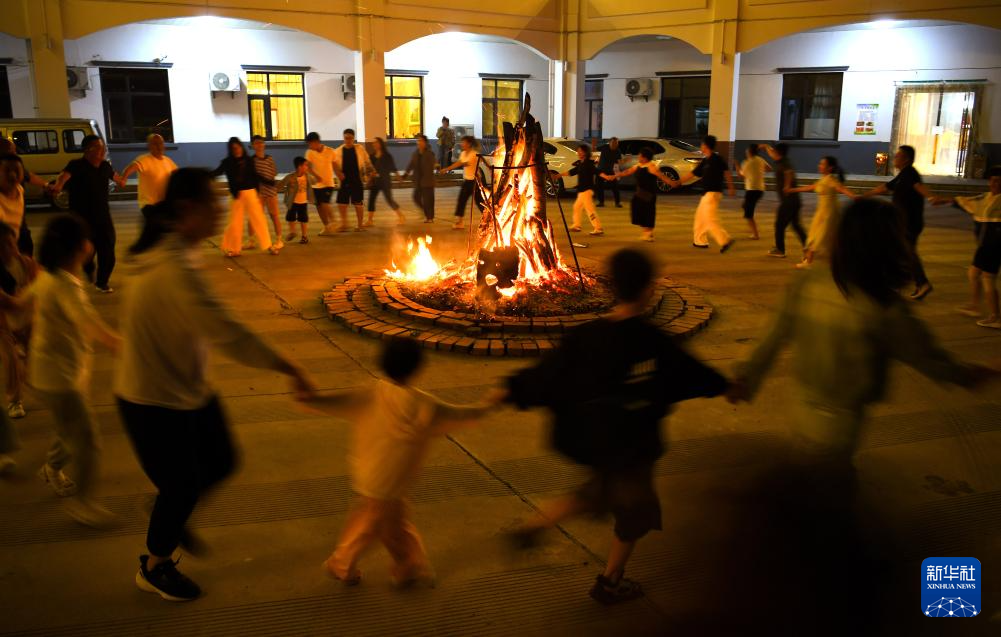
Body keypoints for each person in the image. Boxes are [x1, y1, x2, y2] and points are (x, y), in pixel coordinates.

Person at [115, 168, 315, 602]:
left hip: (186, 388)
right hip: (153, 400)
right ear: (188, 210)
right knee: (182, 486)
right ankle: (154, 566)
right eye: (214, 201)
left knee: (221, 460)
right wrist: (288, 366)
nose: (222, 207)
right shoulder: (170, 266)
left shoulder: (176, 250)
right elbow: (228, 331)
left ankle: (169, 514)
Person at [501, 248, 729, 605]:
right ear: (648, 289)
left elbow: (551, 372)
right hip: (633, 446)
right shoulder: (652, 339)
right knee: (634, 513)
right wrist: (727, 387)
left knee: (597, 491)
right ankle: (610, 581)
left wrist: (514, 389)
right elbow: (690, 373)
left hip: (595, 438)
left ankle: (535, 526)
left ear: (612, 287)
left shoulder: (588, 336)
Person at [731, 198, 998, 474]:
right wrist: (972, 375)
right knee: (828, 487)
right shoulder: (886, 308)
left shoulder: (808, 281)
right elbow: (929, 359)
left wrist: (746, 376)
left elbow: (772, 333)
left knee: (808, 475)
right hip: (841, 420)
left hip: (800, 404)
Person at [310, 336, 490, 587]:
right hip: (391, 481)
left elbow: (337, 401)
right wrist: (487, 406)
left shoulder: (371, 393)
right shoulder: (424, 404)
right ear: (417, 368)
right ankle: (347, 563)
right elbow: (459, 414)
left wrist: (309, 399)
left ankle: (405, 566)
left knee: (384, 522)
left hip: (369, 472)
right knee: (380, 527)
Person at [28, 214, 121, 526]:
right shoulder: (66, 286)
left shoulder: (48, 277)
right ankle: (84, 503)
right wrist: (116, 343)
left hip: (54, 373)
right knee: (88, 440)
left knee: (68, 427)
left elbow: (20, 303)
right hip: (59, 378)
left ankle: (51, 467)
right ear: (83, 247)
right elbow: (86, 321)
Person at [49, 135, 123, 292]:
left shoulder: (104, 166)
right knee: (85, 253)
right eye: (97, 147)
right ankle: (89, 270)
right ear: (87, 149)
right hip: (81, 220)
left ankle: (102, 282)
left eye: (102, 147)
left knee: (108, 251)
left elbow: (116, 176)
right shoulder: (75, 165)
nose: (101, 150)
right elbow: (63, 177)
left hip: (103, 218)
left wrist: (122, 180)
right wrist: (58, 186)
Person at [860, 145, 935, 300]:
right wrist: (865, 196)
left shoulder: (910, 174)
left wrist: (930, 196)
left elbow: (919, 186)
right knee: (905, 253)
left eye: (898, 155)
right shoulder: (903, 175)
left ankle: (916, 283)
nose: (895, 157)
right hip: (904, 221)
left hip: (909, 222)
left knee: (903, 252)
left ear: (906, 159)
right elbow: (885, 187)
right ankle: (915, 283)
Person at [933, 165, 1001, 329]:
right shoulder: (985, 197)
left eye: (998, 181)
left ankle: (995, 317)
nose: (994, 184)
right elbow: (966, 201)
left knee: (988, 279)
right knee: (973, 273)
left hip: (994, 247)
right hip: (983, 246)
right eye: (992, 180)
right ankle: (975, 306)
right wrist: (942, 200)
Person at [211, 137, 277, 258]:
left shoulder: (248, 160)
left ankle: (268, 245)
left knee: (259, 219)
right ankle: (234, 249)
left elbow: (255, 175)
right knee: (235, 223)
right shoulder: (227, 162)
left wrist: (266, 183)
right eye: (234, 148)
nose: (237, 150)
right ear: (231, 150)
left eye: (238, 147)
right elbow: (217, 172)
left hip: (250, 193)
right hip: (237, 196)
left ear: (241, 147)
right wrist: (203, 176)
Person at [785, 156, 856, 269]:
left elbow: (842, 189)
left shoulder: (831, 180)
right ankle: (818, 260)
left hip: (829, 214)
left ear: (830, 168)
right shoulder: (823, 179)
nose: (819, 166)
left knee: (818, 237)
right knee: (821, 237)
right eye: (820, 164)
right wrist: (792, 190)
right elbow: (811, 187)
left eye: (822, 164)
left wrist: (854, 196)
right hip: (821, 213)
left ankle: (809, 261)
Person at [670, 135, 736, 253]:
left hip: (713, 193)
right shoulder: (705, 160)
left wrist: (731, 187)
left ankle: (725, 240)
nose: (701, 146)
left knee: (710, 219)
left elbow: (727, 172)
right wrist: (679, 182)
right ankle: (700, 241)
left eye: (702, 144)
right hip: (706, 194)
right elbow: (693, 173)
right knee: (700, 218)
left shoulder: (717, 158)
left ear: (706, 146)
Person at [0, 220, 36, 420]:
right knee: (10, 358)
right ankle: (14, 400)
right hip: (3, 322)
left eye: (12, 243)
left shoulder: (26, 263)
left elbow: (38, 286)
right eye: (4, 245)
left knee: (33, 354)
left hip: (26, 319)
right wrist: (24, 298)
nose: (11, 249)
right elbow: (8, 302)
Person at [604, 148, 673, 242]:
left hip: (649, 194)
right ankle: (647, 232)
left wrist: (672, 183)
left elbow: (661, 176)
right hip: (640, 193)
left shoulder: (651, 166)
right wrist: (615, 176)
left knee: (648, 213)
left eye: (640, 156)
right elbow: (627, 171)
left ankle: (648, 234)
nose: (639, 157)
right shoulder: (639, 165)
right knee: (637, 210)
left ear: (645, 158)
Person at [0, 138, 47, 256]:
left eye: (17, 171)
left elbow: (29, 176)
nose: (13, 175)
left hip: (21, 230)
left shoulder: (19, 190)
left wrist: (46, 185)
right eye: (13, 150)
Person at [763, 143, 806, 259]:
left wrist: (787, 186)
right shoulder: (780, 159)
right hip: (793, 200)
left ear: (778, 152)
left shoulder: (785, 162)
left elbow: (789, 172)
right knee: (796, 225)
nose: (772, 152)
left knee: (779, 224)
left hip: (789, 201)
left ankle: (780, 249)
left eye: (774, 150)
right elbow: (771, 153)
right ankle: (808, 247)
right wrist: (765, 146)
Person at [118, 133, 178, 212]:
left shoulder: (168, 161)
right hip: (149, 205)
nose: (159, 146)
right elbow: (131, 168)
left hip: (164, 204)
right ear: (149, 146)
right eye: (155, 144)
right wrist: (123, 179)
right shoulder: (144, 160)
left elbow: (177, 174)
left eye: (160, 143)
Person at [332, 129, 375, 232]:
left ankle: (360, 225)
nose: (348, 140)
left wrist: (370, 173)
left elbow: (367, 161)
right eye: (346, 138)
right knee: (341, 203)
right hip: (344, 180)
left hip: (356, 179)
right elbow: (333, 163)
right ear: (343, 138)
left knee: (358, 203)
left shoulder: (359, 149)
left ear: (353, 138)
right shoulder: (338, 151)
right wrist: (338, 173)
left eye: (350, 138)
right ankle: (344, 223)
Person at [558, 144, 604, 236]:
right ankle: (577, 225)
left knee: (590, 210)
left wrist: (607, 176)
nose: (578, 153)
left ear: (585, 153)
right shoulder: (581, 163)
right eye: (578, 151)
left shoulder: (588, 164)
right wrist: (558, 175)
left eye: (580, 151)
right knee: (577, 207)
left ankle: (598, 228)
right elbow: (572, 172)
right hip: (582, 191)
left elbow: (597, 172)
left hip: (587, 191)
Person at [439, 135, 483, 230]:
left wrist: (447, 169)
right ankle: (460, 222)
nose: (462, 144)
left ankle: (488, 219)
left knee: (479, 202)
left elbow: (462, 163)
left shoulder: (474, 154)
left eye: (464, 142)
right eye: (462, 142)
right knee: (461, 201)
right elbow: (460, 161)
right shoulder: (463, 153)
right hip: (467, 181)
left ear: (469, 144)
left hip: (475, 182)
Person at [251, 135, 283, 249]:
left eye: (261, 142)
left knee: (274, 216)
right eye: (257, 143)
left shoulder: (269, 158)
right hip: (258, 193)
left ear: (264, 144)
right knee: (254, 216)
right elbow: (254, 176)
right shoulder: (252, 160)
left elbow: (273, 172)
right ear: (253, 145)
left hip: (270, 192)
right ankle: (251, 240)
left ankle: (279, 239)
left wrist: (270, 182)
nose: (259, 145)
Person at [305, 132, 340, 235]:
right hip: (315, 184)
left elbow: (335, 165)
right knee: (319, 206)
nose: (309, 146)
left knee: (325, 202)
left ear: (316, 142)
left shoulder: (330, 151)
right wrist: (315, 176)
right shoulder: (309, 152)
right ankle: (327, 226)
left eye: (310, 144)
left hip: (328, 183)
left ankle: (334, 221)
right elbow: (308, 167)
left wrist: (339, 175)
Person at [368, 137, 405, 226]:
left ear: (380, 144)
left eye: (376, 142)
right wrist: (370, 177)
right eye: (373, 143)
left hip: (385, 180)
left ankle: (401, 216)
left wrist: (398, 176)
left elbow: (393, 167)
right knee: (371, 200)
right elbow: (370, 168)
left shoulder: (387, 155)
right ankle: (370, 220)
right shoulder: (372, 156)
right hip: (375, 181)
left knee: (389, 199)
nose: (374, 144)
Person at [736, 144, 769, 240]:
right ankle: (752, 227)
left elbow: (741, 176)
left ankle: (755, 233)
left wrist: (737, 167)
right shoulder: (760, 160)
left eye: (747, 151)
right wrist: (759, 172)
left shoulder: (746, 163)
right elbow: (769, 168)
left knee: (748, 212)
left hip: (751, 190)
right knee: (746, 207)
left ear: (750, 152)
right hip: (760, 189)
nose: (746, 152)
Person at [278, 157, 313, 245]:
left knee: (303, 219)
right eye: (306, 165)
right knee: (290, 217)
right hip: (293, 202)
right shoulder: (291, 177)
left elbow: (315, 181)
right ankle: (292, 232)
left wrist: (318, 178)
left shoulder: (307, 176)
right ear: (299, 167)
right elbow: (281, 184)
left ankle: (304, 236)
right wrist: (274, 189)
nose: (307, 167)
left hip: (303, 202)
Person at [404, 135, 436, 223]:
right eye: (418, 141)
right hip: (418, 180)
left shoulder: (429, 153)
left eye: (421, 141)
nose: (419, 142)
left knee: (428, 200)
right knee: (415, 197)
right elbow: (411, 164)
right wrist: (405, 174)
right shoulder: (415, 153)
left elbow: (435, 162)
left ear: (425, 143)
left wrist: (437, 166)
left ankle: (430, 218)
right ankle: (425, 212)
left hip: (427, 181)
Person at [595, 137, 623, 208]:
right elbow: (595, 149)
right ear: (609, 143)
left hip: (610, 171)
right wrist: (593, 144)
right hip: (600, 170)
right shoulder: (604, 147)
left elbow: (620, 162)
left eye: (616, 143)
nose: (615, 144)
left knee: (615, 187)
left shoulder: (618, 151)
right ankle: (601, 202)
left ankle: (617, 203)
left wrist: (624, 161)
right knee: (599, 186)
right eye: (613, 143)